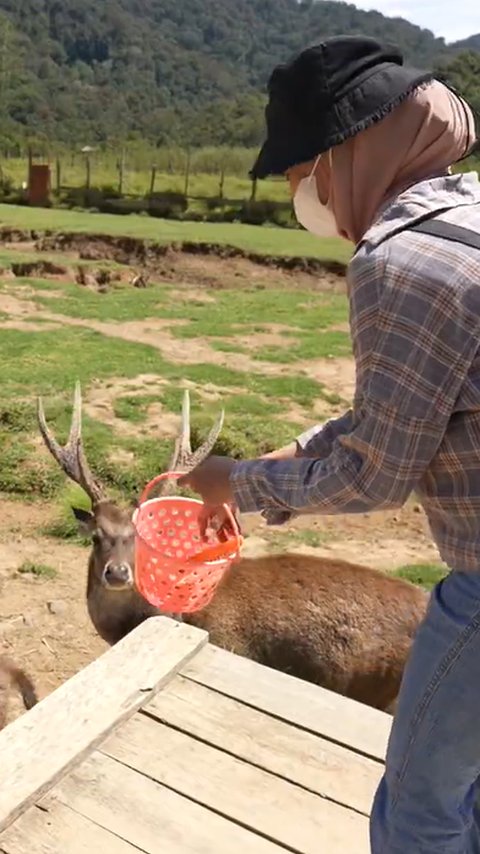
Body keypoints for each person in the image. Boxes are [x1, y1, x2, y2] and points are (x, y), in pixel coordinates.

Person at [178, 35, 480, 853]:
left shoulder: (399, 262)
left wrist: (234, 483)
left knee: (418, 814)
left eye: (296, 169)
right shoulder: (467, 221)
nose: (295, 191)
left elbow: (376, 475)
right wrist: (287, 457)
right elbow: (413, 411)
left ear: (348, 153)